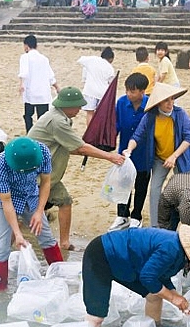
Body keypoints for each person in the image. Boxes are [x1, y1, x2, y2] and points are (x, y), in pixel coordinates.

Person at [29, 86, 125, 251]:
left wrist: (94, 151)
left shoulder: (61, 118)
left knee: (64, 202)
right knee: (25, 209)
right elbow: (79, 148)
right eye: (77, 105)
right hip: (35, 174)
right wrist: (109, 156)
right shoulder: (57, 121)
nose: (80, 109)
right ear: (66, 105)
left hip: (48, 173)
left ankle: (64, 242)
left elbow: (71, 146)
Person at [81, 225, 190, 327]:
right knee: (97, 316)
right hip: (102, 255)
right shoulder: (172, 248)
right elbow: (148, 277)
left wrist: (176, 296)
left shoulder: (179, 252)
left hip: (127, 264)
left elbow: (159, 275)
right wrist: (173, 298)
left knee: (154, 295)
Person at [0, 137, 64, 289]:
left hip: (31, 195)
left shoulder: (42, 151)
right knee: (1, 247)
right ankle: (1, 290)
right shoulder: (0, 163)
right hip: (5, 200)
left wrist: (39, 211)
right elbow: (6, 201)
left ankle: (60, 277)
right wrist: (17, 233)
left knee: (46, 237)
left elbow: (45, 182)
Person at [123, 82, 190, 228]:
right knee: (155, 188)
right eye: (166, 100)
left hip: (180, 157)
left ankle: (187, 224)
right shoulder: (150, 117)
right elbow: (137, 136)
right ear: (158, 103)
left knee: (184, 190)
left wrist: (174, 156)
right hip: (159, 158)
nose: (170, 103)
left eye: (172, 99)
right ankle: (156, 226)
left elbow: (189, 138)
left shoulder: (180, 114)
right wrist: (128, 150)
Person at [110, 72, 151, 231]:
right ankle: (122, 215)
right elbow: (115, 125)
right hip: (124, 151)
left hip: (144, 153)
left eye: (132, 91)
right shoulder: (121, 103)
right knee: (123, 184)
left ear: (142, 92)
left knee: (141, 185)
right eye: (127, 90)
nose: (128, 94)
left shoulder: (150, 105)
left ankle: (136, 216)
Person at [18, 34, 57, 132]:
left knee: (28, 115)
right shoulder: (44, 58)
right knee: (42, 117)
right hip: (43, 92)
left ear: (26, 46)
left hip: (30, 91)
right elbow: (50, 76)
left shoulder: (25, 57)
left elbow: (24, 72)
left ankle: (30, 134)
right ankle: (42, 135)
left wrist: (21, 84)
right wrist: (57, 87)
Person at [79, 46, 116, 127]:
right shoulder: (110, 68)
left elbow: (81, 59)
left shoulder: (93, 60)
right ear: (111, 59)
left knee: (90, 113)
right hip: (102, 93)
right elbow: (111, 83)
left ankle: (90, 132)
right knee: (101, 115)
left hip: (90, 91)